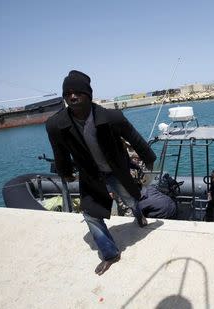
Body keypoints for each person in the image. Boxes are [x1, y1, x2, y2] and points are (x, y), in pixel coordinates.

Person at [46, 70, 157, 275]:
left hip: (115, 168)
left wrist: (148, 157)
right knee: (90, 214)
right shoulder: (56, 124)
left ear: (89, 95)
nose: (72, 96)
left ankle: (138, 214)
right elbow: (59, 152)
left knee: (130, 199)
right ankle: (110, 253)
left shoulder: (111, 117)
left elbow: (134, 137)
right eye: (68, 93)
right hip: (90, 174)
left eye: (78, 92)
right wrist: (65, 172)